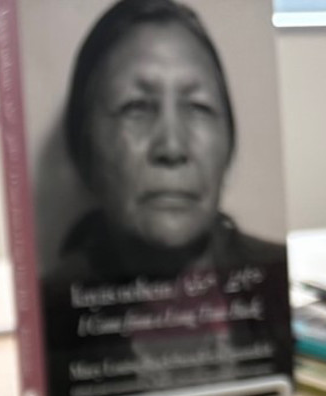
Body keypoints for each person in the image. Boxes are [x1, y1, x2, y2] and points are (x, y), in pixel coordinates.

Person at [52, 0, 286, 281]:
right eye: (136, 106)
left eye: (199, 107)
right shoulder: (47, 303)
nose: (172, 147)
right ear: (84, 147)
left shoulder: (278, 280)